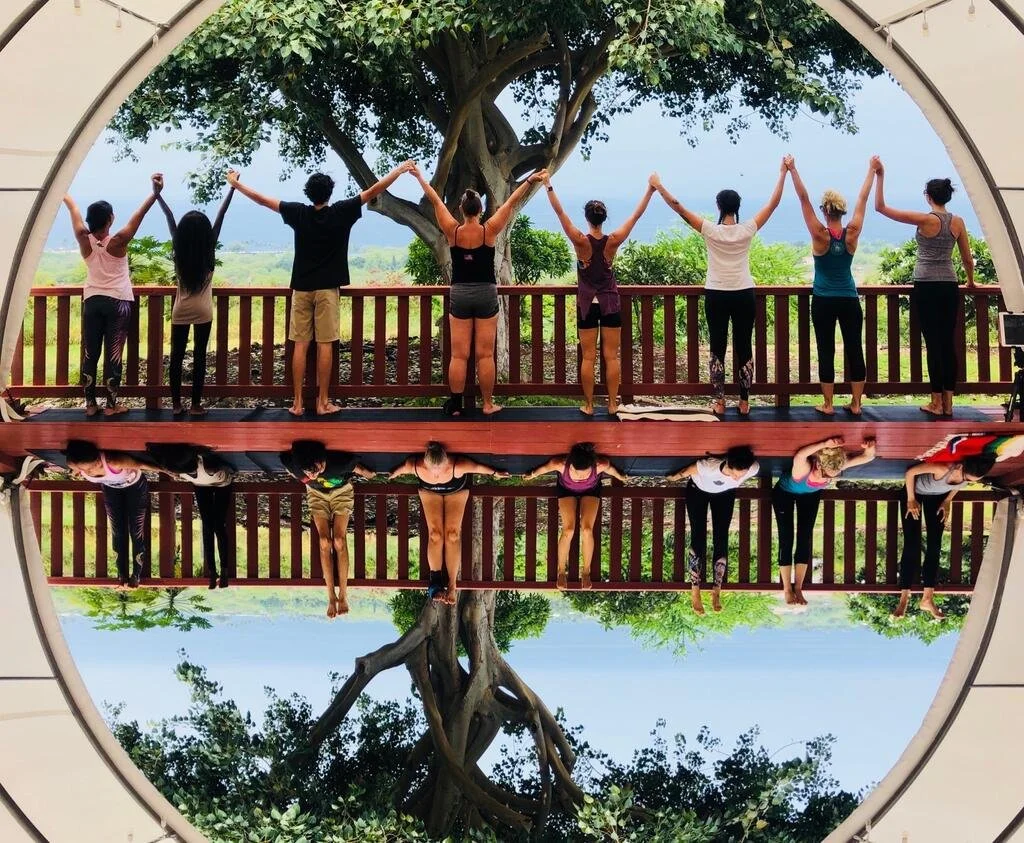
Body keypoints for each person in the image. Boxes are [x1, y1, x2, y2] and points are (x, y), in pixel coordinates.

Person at [227, 162, 414, 416]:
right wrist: (399, 171)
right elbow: (373, 191)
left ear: (308, 193)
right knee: (325, 344)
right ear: (329, 192)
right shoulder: (341, 212)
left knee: (301, 345)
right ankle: (323, 402)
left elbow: (263, 201)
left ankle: (296, 403)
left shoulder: (298, 213)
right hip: (327, 290)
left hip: (301, 288)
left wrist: (236, 184)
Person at [650, 159, 790, 415]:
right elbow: (773, 204)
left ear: (718, 206)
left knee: (717, 346)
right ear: (737, 207)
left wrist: (659, 186)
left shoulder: (710, 231)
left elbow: (679, 208)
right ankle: (745, 401)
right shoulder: (746, 229)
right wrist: (783, 173)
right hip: (744, 293)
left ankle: (719, 401)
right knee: (744, 345)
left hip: (716, 293)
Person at [410, 164, 545, 416]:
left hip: (460, 293)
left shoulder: (453, 230)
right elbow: (511, 203)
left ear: (461, 209)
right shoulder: (489, 230)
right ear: (481, 210)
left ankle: (456, 406)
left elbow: (435, 199)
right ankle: (487, 404)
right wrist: (530, 180)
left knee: (459, 355)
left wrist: (419, 177)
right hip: (485, 294)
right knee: (485, 354)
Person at [542, 171, 656, 415]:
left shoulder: (580, 242)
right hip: (610, 302)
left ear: (587, 218)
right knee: (611, 357)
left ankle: (589, 405)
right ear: (603, 219)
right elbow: (636, 216)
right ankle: (613, 404)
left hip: (587, 304)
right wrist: (650, 190)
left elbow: (560, 213)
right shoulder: (612, 241)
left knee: (588, 358)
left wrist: (548, 185)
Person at [873, 157, 975, 416]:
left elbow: (881, 207)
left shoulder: (924, 219)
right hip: (950, 285)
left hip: (927, 286)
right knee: (947, 343)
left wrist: (880, 175)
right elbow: (966, 258)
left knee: (933, 343)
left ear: (928, 196)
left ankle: (936, 402)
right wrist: (971, 281)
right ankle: (949, 404)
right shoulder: (958, 222)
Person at [63, 175, 162, 416]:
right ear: (110, 219)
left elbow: (73, 208)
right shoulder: (117, 242)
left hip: (92, 300)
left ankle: (89, 405)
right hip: (118, 301)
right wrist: (155, 193)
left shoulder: (83, 238)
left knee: (91, 352)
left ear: (90, 220)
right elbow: (138, 217)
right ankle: (111, 405)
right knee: (114, 353)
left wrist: (62, 193)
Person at [787, 158, 874, 415]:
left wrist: (792, 169)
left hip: (824, 300)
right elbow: (863, 198)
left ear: (825, 210)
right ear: (841, 211)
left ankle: (828, 404)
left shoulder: (819, 234)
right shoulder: (853, 232)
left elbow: (803, 199)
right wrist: (871, 170)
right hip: (849, 298)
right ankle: (856, 404)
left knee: (826, 349)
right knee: (854, 348)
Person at [389, 443, 508, 603]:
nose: (437, 473)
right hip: (430, 492)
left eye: (441, 468)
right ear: (425, 462)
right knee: (435, 535)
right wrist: (394, 473)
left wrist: (495, 472)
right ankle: (435, 580)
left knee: (452, 534)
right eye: (433, 470)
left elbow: (478, 467)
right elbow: (403, 468)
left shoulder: (457, 466)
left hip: (455, 491)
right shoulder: (416, 465)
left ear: (447, 461)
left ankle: (452, 584)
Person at [155, 181, 236, 415]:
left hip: (180, 310)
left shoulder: (179, 249)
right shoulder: (208, 250)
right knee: (200, 356)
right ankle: (196, 405)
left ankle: (177, 405)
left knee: (177, 357)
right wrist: (232, 188)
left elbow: (170, 218)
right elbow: (222, 214)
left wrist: (158, 195)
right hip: (204, 311)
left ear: (182, 233)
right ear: (204, 233)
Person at [772, 436, 876, 605]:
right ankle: (787, 589)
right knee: (786, 539)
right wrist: (823, 444)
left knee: (804, 538)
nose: (829, 478)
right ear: (819, 465)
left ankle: (798, 587)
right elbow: (800, 455)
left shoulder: (835, 467)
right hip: (784, 494)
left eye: (833, 476)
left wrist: (869, 448)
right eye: (827, 475)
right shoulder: (804, 468)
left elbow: (868, 457)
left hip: (810, 496)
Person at [281, 440, 376, 617]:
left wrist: (370, 474)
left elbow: (365, 471)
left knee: (339, 540)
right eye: (310, 472)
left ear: (322, 460)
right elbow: (285, 461)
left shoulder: (338, 463)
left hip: (342, 492)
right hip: (316, 494)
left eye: (318, 469)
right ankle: (331, 596)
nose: (315, 475)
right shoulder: (297, 467)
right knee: (325, 541)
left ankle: (343, 594)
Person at [894, 455, 994, 619]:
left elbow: (961, 484)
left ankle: (927, 598)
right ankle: (904, 597)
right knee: (912, 543)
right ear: (961, 468)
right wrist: (911, 499)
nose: (968, 482)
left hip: (937, 498)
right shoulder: (943, 468)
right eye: (967, 479)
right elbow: (910, 473)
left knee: (935, 545)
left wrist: (948, 501)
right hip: (914, 494)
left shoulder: (968, 475)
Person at [523, 443, 630, 590]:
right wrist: (533, 474)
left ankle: (586, 572)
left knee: (586, 530)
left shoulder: (600, 465)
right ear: (570, 464)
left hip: (591, 491)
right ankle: (561, 571)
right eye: (576, 471)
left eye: (584, 473)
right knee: (569, 530)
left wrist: (621, 476)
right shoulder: (560, 464)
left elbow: (611, 469)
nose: (580, 476)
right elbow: (545, 468)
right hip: (566, 490)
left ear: (593, 466)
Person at [668, 445, 759, 614]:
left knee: (721, 537)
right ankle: (695, 589)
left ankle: (717, 588)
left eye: (741, 475)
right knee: (698, 536)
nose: (736, 477)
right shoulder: (709, 467)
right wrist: (674, 477)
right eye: (734, 473)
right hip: (698, 492)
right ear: (728, 464)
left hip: (725, 495)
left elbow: (747, 468)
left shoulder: (752, 468)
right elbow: (687, 470)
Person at [64, 440, 160, 588]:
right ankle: (122, 574)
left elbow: (141, 464)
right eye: (82, 470)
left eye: (88, 470)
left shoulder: (113, 462)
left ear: (97, 462)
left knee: (136, 530)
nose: (86, 473)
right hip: (111, 489)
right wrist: (76, 471)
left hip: (135, 487)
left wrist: (167, 469)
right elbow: (75, 467)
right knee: (118, 531)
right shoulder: (77, 463)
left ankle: (136, 574)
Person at [146, 444, 236, 589]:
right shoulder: (191, 468)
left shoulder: (184, 472)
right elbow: (229, 469)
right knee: (217, 526)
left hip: (202, 483)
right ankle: (219, 571)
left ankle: (216, 571)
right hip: (217, 481)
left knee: (211, 526)